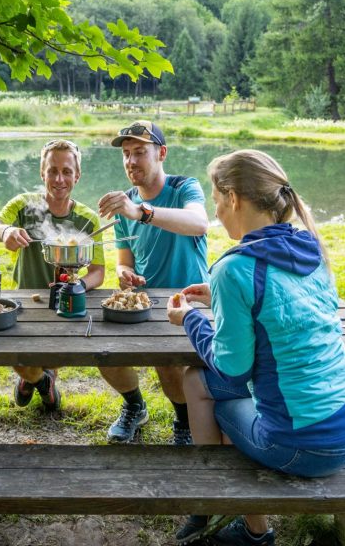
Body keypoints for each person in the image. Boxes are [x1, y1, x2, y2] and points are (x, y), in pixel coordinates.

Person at [167, 150, 345, 546]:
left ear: (234, 198)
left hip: (306, 447)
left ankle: (231, 515)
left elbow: (232, 369)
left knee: (207, 393)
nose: (216, 211)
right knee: (227, 390)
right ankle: (235, 516)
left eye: (215, 199)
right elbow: (283, 307)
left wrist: (189, 319)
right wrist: (220, 298)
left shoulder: (235, 267)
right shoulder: (307, 246)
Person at [97, 120, 209, 445]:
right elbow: (124, 260)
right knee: (101, 350)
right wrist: (124, 275)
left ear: (161, 153)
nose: (131, 161)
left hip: (189, 301)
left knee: (167, 362)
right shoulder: (124, 204)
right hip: (143, 304)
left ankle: (185, 422)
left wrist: (140, 211)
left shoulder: (185, 187)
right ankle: (135, 406)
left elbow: (199, 223)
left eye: (140, 153)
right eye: (127, 154)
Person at [0, 139, 105, 411]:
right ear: (42, 173)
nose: (59, 179)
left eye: (67, 171)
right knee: (19, 357)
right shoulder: (25, 205)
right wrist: (5, 232)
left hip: (65, 303)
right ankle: (39, 382)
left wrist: (76, 284)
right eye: (52, 171)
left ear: (78, 175)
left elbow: (97, 273)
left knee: (52, 355)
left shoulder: (88, 219)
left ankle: (38, 381)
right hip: (25, 300)